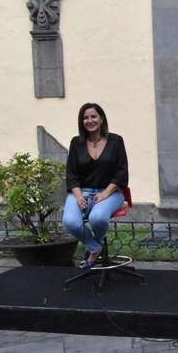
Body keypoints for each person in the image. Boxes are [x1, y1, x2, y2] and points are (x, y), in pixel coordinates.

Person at [62, 103, 128, 268]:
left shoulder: (116, 141)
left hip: (111, 192)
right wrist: (78, 196)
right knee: (70, 221)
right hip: (81, 191)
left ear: (101, 118)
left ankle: (93, 252)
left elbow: (121, 172)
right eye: (85, 118)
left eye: (93, 116)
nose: (89, 120)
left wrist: (105, 193)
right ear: (81, 121)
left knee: (97, 218)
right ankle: (95, 248)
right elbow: (71, 174)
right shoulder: (76, 142)